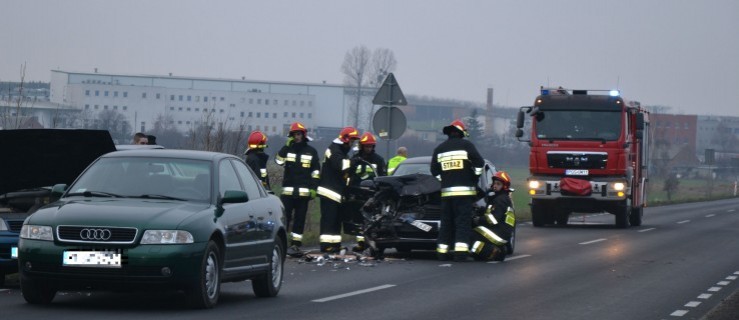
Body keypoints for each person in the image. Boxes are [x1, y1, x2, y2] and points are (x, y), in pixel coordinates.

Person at [430, 119, 484, 262]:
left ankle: (442, 252)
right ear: (461, 133)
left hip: (447, 194)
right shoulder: (467, 145)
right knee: (462, 222)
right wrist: (474, 177)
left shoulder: (440, 148)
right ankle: (460, 253)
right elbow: (480, 163)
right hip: (464, 194)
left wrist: (445, 180)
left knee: (446, 223)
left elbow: (434, 171)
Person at [274, 122, 320, 256]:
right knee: (284, 219)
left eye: (299, 134)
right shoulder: (287, 149)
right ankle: (282, 243)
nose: (297, 137)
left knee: (299, 220)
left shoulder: (311, 151)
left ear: (303, 135)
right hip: (287, 193)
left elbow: (316, 172)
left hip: (304, 194)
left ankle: (296, 245)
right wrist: (285, 147)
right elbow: (278, 161)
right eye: (294, 134)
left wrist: (313, 188)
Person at [317, 126, 360, 253]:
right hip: (329, 192)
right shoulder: (333, 149)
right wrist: (353, 162)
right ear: (345, 139)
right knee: (329, 220)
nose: (352, 144)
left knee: (336, 220)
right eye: (352, 141)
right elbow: (339, 165)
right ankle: (326, 246)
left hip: (337, 192)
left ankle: (335, 245)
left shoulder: (341, 151)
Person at [347, 131, 386, 252]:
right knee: (358, 220)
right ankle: (360, 243)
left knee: (371, 219)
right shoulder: (355, 159)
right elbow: (350, 175)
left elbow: (382, 176)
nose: (368, 148)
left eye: (370, 146)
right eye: (366, 146)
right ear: (362, 146)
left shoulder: (378, 160)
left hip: (372, 196)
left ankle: (370, 241)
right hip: (357, 194)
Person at [471, 171, 515, 262]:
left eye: (498, 184)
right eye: (494, 183)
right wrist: (481, 210)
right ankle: (497, 250)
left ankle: (493, 252)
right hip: (501, 232)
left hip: (498, 233)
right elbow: (492, 212)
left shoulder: (500, 200)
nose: (495, 186)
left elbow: (493, 219)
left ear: (504, 186)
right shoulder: (501, 198)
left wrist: (478, 220)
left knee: (470, 236)